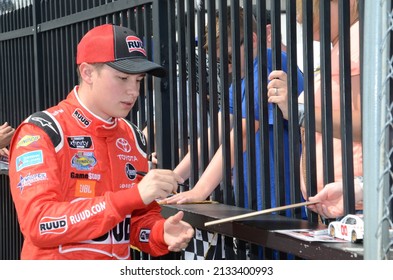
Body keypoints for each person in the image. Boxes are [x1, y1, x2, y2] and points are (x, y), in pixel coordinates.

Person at [8, 24, 194, 260]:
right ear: (87, 73)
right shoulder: (42, 131)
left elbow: (135, 221)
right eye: (123, 78)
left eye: (138, 80)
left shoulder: (133, 137)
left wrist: (160, 233)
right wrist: (131, 197)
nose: (134, 91)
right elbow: (40, 222)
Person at [166, 7, 304, 211]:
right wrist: (174, 179)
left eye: (229, 58)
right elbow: (216, 132)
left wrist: (199, 191)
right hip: (259, 191)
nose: (227, 67)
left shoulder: (267, 68)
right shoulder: (243, 78)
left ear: (253, 40)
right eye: (220, 61)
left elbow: (242, 133)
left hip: (282, 195)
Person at [268, 0, 362, 219]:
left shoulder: (354, 44)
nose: (302, 15)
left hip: (353, 200)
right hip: (342, 199)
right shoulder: (344, 46)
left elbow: (365, 125)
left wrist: (298, 111)